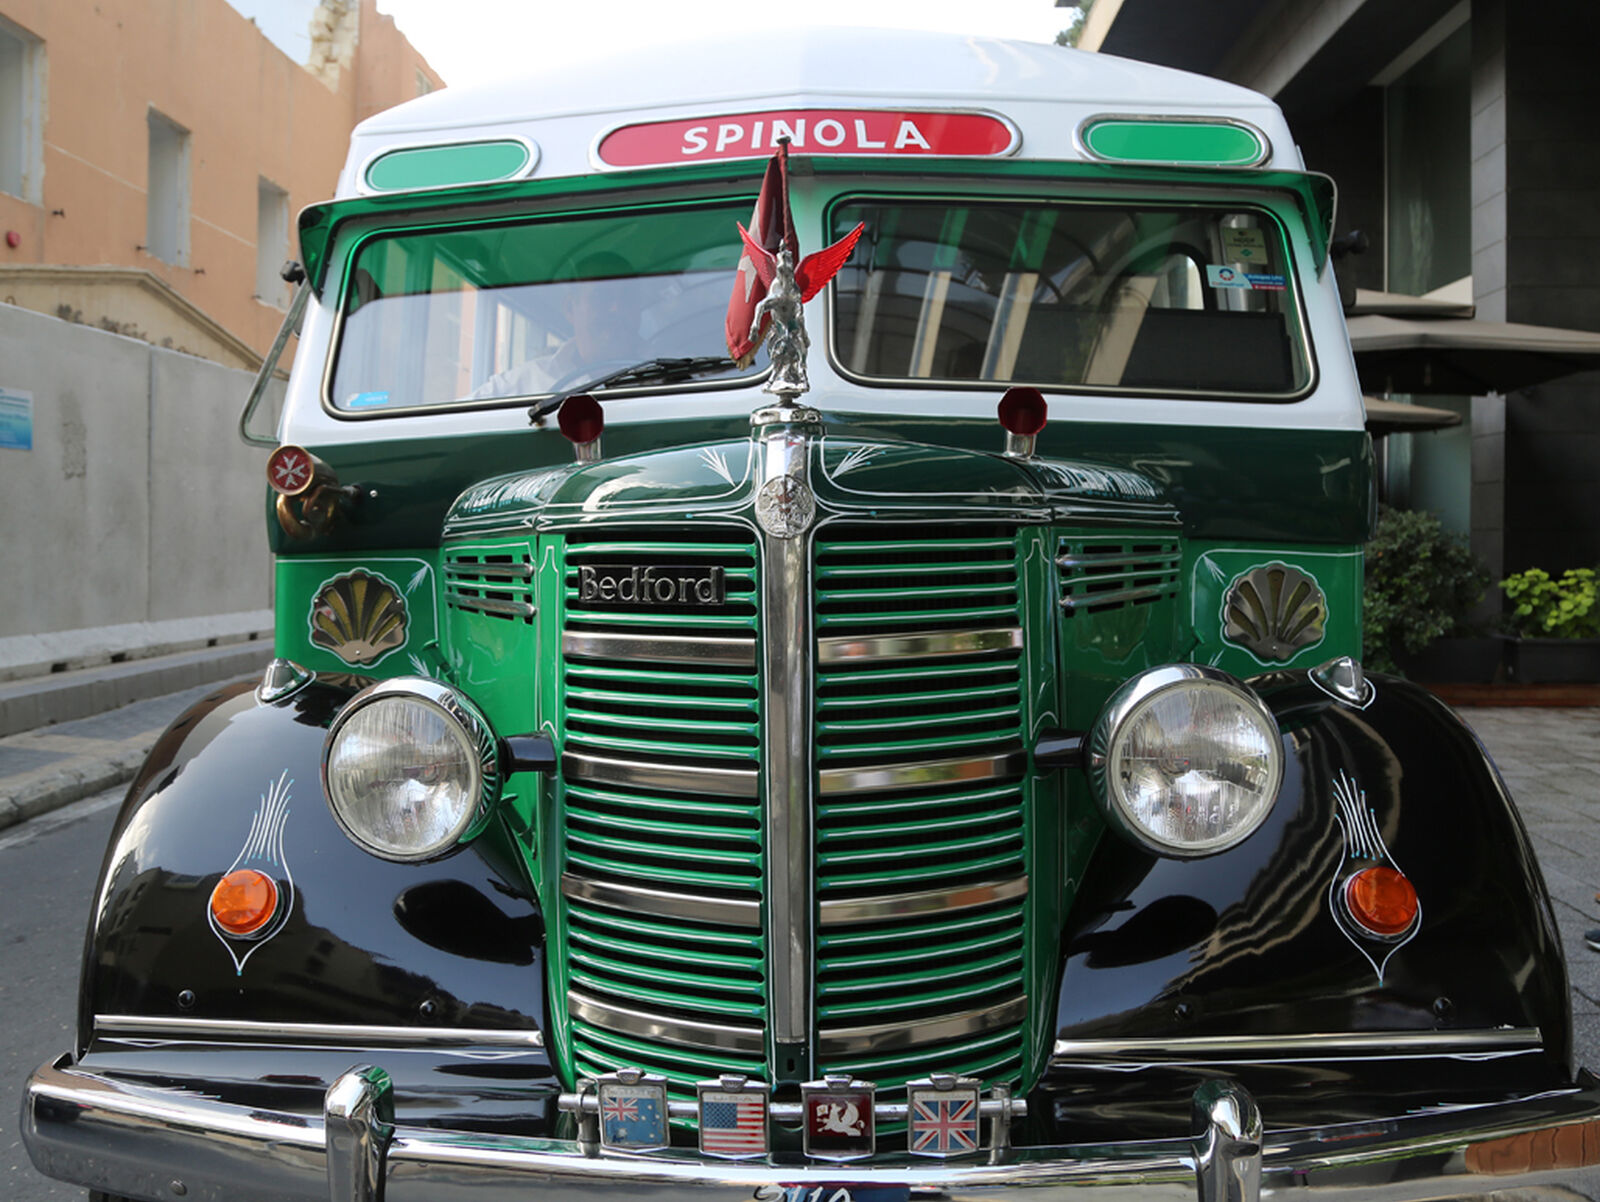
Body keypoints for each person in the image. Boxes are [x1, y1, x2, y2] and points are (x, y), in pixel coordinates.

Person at [469, 252, 646, 400]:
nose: (616, 308)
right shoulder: (525, 382)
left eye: (628, 297)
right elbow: (447, 424)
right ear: (570, 308)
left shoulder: (669, 379)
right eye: (601, 297)